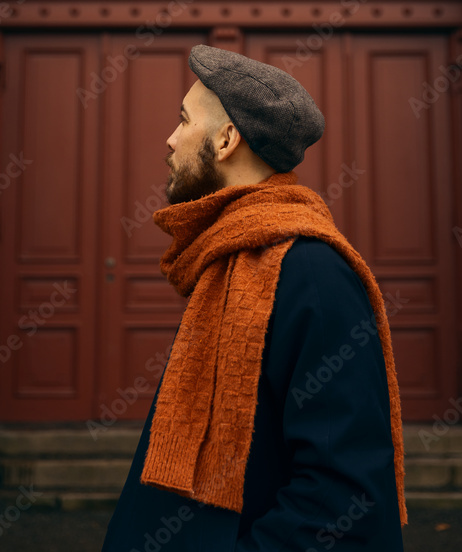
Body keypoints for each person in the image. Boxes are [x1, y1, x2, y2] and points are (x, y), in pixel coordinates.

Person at [101, 44, 406, 552]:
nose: (170, 139)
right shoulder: (225, 260)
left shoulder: (312, 273)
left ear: (225, 139)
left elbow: (344, 495)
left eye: (183, 120)